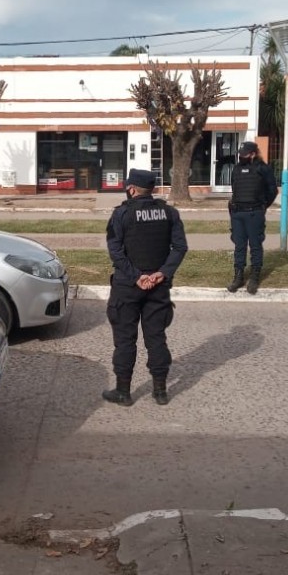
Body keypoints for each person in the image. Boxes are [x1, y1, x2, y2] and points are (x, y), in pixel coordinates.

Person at [102, 168, 188, 407]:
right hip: (158, 287)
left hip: (127, 287)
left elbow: (116, 251)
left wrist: (136, 277)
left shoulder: (121, 214)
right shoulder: (169, 213)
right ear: (151, 189)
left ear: (131, 189)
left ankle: (123, 392)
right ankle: (160, 391)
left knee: (125, 340)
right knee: (156, 338)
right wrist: (162, 273)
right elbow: (180, 248)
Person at [227, 140, 278, 295]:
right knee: (239, 246)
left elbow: (272, 191)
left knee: (255, 246)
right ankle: (238, 276)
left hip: (254, 212)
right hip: (237, 213)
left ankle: (255, 277)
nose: (241, 157)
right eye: (240, 154)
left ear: (253, 154)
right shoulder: (236, 169)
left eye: (244, 155)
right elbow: (234, 188)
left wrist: (262, 206)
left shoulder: (263, 169)